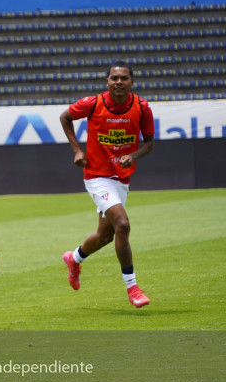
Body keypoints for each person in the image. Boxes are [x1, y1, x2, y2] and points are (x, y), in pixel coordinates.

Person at [59, 61, 155, 308]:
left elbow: (150, 143)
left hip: (121, 179)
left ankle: (75, 258)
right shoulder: (94, 103)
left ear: (131, 82)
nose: (119, 82)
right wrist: (77, 150)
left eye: (124, 78)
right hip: (97, 177)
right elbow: (65, 117)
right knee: (122, 224)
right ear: (107, 82)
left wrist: (133, 156)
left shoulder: (142, 108)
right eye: (114, 78)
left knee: (105, 236)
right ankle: (133, 288)